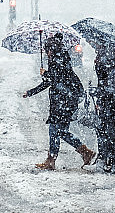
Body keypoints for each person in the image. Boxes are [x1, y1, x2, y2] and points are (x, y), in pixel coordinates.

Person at [23, 34, 94, 170]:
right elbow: (50, 82)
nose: (45, 53)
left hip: (65, 101)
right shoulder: (58, 59)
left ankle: (54, 159)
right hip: (62, 101)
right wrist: (31, 92)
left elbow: (56, 79)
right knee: (59, 131)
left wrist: (45, 74)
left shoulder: (59, 59)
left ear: (51, 49)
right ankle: (83, 152)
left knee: (55, 130)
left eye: (46, 50)